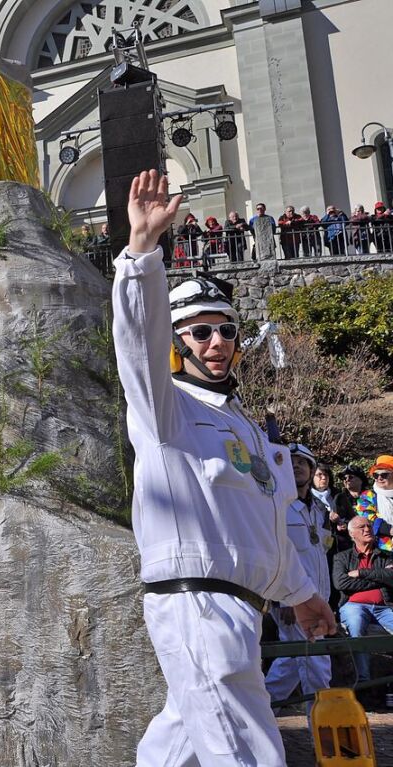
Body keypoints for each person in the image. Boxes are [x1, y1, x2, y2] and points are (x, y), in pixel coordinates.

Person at [114, 170, 335, 766]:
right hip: (197, 607)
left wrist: (303, 594)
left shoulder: (244, 426)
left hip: (243, 609)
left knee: (177, 748)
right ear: (178, 341)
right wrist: (141, 255)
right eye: (201, 331)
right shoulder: (164, 410)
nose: (217, 342)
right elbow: (138, 339)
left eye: (227, 330)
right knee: (249, 753)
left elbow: (260, 519)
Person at [264, 444, 332, 718]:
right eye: (289, 462)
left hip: (318, 599)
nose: (295, 466)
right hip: (293, 601)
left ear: (313, 469)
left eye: (302, 462)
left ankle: (256, 714)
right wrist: (283, 599)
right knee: (317, 668)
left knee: (291, 665)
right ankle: (324, 736)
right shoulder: (275, 504)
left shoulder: (318, 508)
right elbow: (272, 553)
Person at [332, 515, 393, 694]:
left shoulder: (386, 555)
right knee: (356, 629)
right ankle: (362, 683)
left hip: (384, 607)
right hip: (353, 606)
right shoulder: (341, 557)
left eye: (369, 526)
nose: (367, 529)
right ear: (352, 534)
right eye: (362, 527)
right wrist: (379, 577)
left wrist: (360, 572)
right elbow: (341, 583)